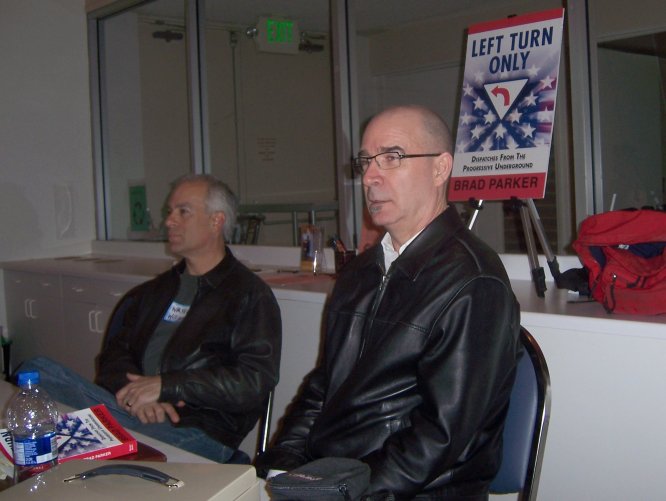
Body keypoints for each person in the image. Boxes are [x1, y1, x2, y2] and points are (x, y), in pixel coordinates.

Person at [256, 105, 521, 499]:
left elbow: (440, 438)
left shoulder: (473, 282)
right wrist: (280, 466)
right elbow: (324, 386)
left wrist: (345, 493)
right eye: (366, 161)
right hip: (337, 476)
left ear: (440, 169)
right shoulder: (360, 272)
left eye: (392, 157)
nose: (369, 176)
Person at [19, 174, 281, 463]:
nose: (169, 221)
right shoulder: (153, 292)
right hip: (131, 413)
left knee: (46, 410)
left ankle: (96, 440)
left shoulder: (249, 295)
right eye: (170, 211)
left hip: (197, 431)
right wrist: (136, 397)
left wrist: (165, 386)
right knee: (37, 373)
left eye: (183, 211)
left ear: (216, 221)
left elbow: (254, 381)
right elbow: (114, 356)